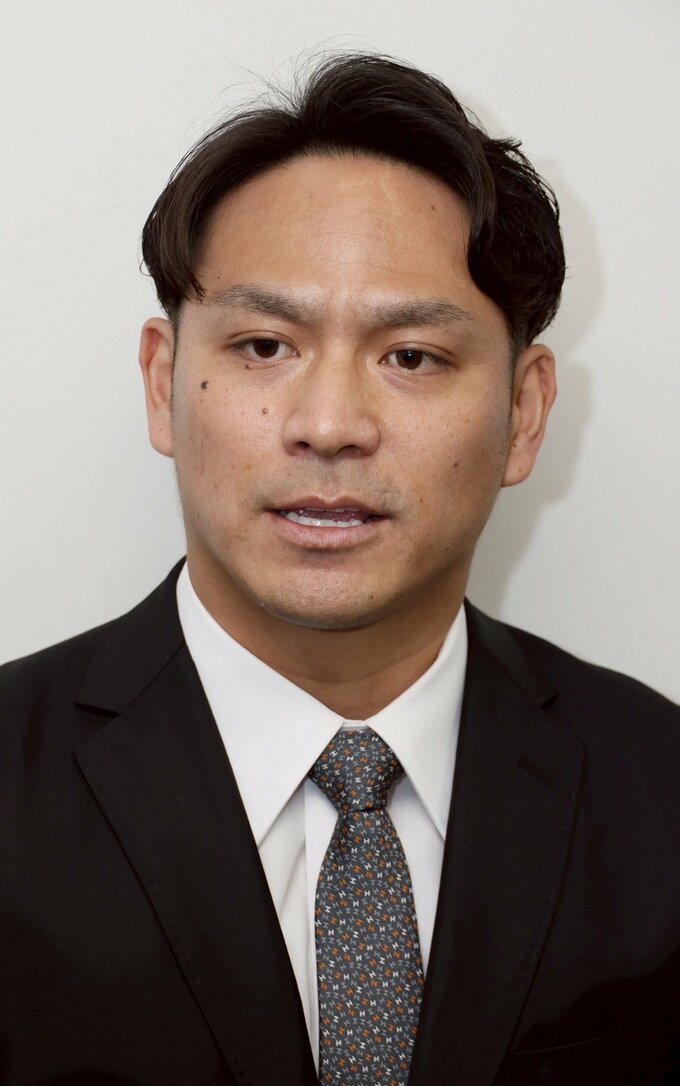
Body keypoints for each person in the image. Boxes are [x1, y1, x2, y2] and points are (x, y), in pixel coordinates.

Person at [0, 52, 677, 1086]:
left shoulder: (658, 791)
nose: (328, 425)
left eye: (412, 357)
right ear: (163, 382)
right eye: (264, 346)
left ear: (524, 413)